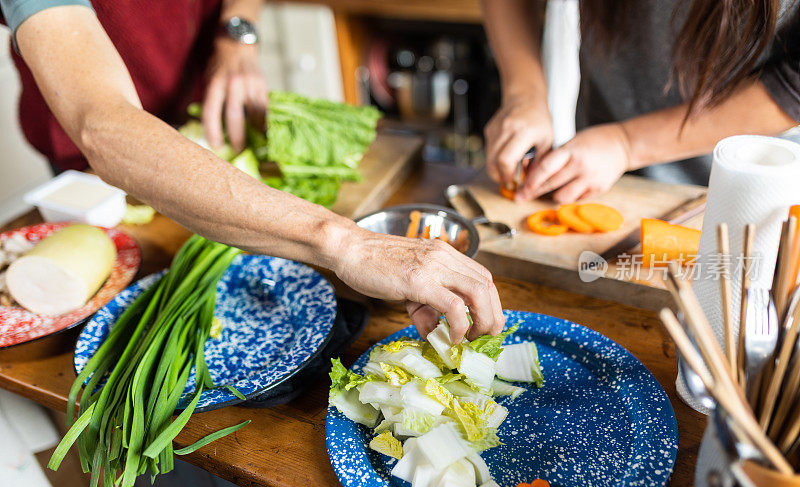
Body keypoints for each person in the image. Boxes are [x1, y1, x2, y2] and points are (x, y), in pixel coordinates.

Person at [0, 0, 505, 341]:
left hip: (202, 116)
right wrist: (347, 241)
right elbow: (103, 127)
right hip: (102, 168)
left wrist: (236, 32)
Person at [483, 0, 800, 204]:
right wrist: (525, 94)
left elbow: (793, 84)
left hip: (754, 193)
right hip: (602, 174)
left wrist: (627, 144)